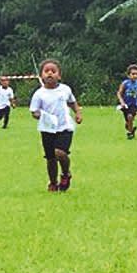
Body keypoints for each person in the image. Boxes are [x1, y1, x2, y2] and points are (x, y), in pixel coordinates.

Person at [29, 59, 82, 192]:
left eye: (53, 71)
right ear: (41, 75)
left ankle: (65, 173)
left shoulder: (65, 89)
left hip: (64, 127)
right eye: (46, 71)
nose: (50, 74)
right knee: (50, 158)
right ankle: (53, 182)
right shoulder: (39, 94)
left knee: (60, 153)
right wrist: (41, 116)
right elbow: (34, 111)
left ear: (59, 75)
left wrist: (78, 113)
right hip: (47, 129)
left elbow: (72, 102)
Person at [116, 64, 137, 139]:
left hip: (134, 104)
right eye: (133, 74)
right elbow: (119, 93)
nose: (135, 76)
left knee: (130, 116)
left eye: (136, 74)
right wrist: (122, 102)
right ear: (129, 75)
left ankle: (130, 133)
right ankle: (131, 128)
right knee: (128, 120)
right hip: (125, 104)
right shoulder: (125, 83)